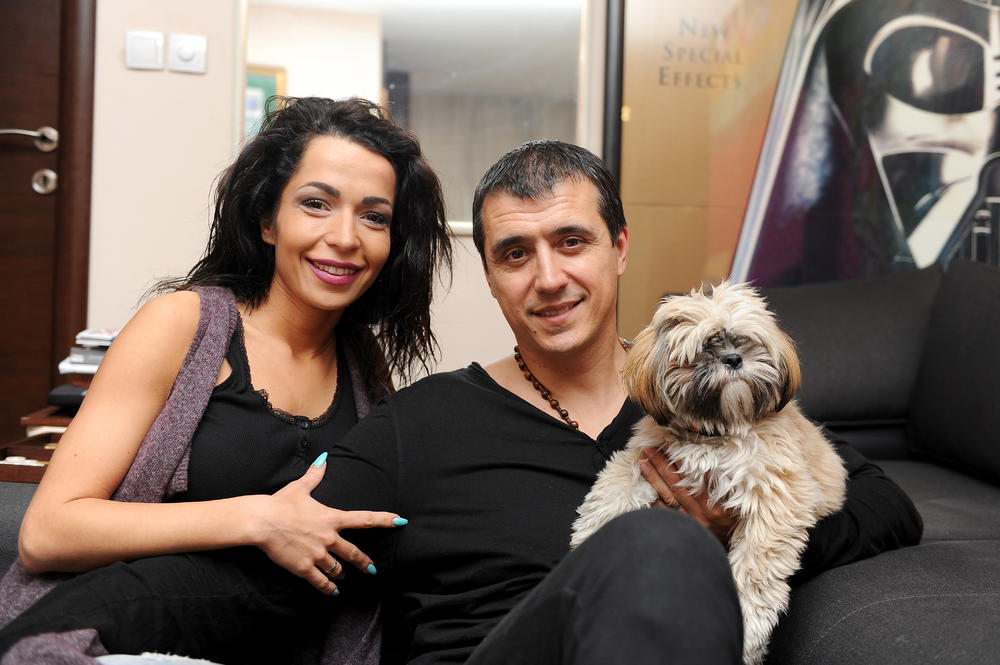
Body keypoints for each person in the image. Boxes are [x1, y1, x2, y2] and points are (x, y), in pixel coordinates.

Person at [0, 141, 921, 665]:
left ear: (619, 248)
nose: (548, 277)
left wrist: (745, 532)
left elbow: (884, 505)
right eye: (516, 253)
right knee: (652, 542)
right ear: (489, 275)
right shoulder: (422, 423)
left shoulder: (720, 405)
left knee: (665, 549)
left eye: (572, 242)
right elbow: (261, 572)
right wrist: (61, 634)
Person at [0, 96, 452, 663]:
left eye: (374, 216)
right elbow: (47, 534)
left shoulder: (364, 366)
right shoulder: (182, 325)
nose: (345, 237)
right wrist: (258, 518)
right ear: (267, 221)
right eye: (316, 204)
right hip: (116, 638)